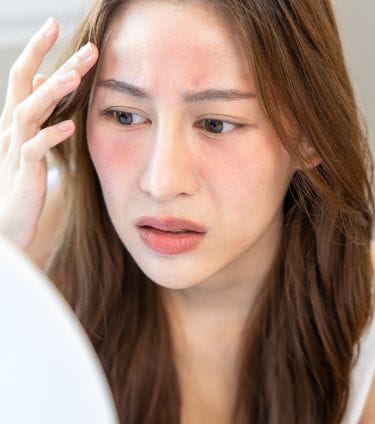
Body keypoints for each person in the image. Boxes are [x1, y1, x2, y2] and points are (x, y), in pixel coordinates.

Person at [0, 0, 374, 422]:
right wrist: (8, 269)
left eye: (215, 123)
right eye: (125, 115)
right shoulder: (25, 253)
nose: (161, 183)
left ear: (310, 135)